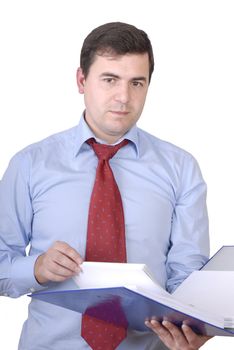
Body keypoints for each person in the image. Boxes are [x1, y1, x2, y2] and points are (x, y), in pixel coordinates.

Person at [0, 22, 211, 350]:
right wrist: (37, 268)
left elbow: (187, 274)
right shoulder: (29, 165)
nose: (124, 97)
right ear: (82, 80)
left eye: (137, 83)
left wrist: (192, 322)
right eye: (110, 79)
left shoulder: (181, 168)